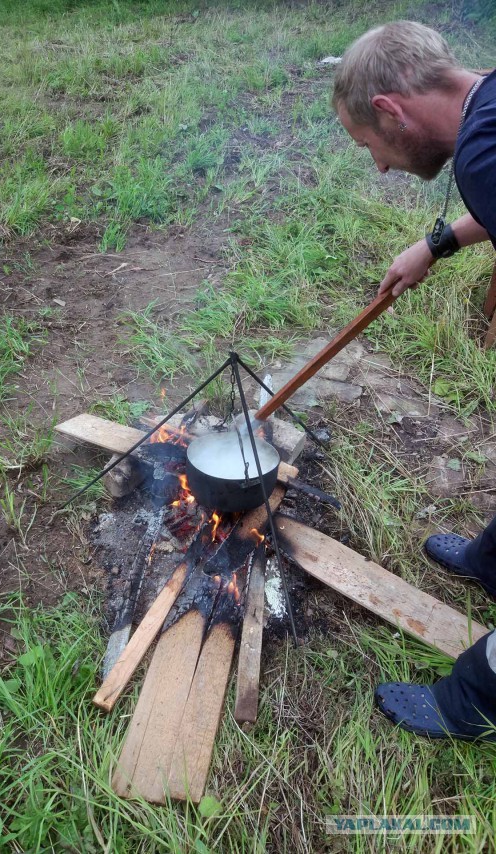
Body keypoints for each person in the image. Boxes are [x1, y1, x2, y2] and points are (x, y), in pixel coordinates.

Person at [332, 20, 496, 741]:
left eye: (369, 146)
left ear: (393, 111)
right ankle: (492, 565)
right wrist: (437, 242)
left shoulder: (483, 153)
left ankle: (475, 703)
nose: (377, 167)